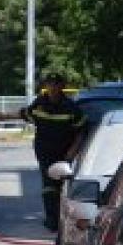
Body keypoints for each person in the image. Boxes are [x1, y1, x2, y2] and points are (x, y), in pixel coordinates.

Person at [22, 71, 86, 231]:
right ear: (46, 86)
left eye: (56, 84)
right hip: (45, 153)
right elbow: (26, 114)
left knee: (63, 187)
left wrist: (72, 151)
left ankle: (64, 219)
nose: (53, 87)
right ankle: (52, 220)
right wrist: (3, 116)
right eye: (50, 84)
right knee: (49, 187)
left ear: (62, 87)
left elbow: (81, 131)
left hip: (65, 154)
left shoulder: (71, 108)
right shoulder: (40, 104)